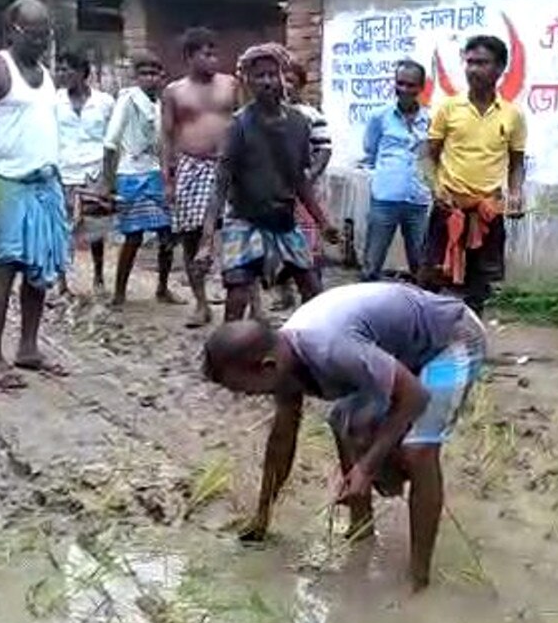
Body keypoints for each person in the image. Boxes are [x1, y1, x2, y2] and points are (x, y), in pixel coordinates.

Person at [203, 282, 487, 591]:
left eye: (242, 389)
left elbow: (415, 397)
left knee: (419, 450)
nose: (243, 396)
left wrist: (365, 467)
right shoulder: (284, 362)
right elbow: (282, 440)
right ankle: (360, 526)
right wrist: (262, 516)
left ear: (267, 368)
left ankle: (418, 580)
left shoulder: (329, 349)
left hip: (452, 338)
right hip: (398, 349)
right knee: (344, 421)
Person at [0, 0, 69, 391]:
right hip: (8, 184)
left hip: (45, 185)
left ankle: (28, 348)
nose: (41, 41)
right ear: (11, 30)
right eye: (33, 33)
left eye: (46, 34)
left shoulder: (45, 74)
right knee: (5, 271)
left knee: (39, 272)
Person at [195, 43, 338, 322]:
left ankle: (308, 351)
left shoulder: (299, 123)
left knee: (314, 292)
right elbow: (220, 185)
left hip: (283, 220)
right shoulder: (238, 126)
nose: (267, 82)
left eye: (272, 74)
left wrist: (324, 222)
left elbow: (300, 179)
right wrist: (206, 240)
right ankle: (229, 356)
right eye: (258, 76)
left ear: (282, 76)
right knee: (236, 295)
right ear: (247, 81)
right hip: (245, 219)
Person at [424, 35, 526, 315]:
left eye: (482, 63)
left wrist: (515, 194)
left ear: (500, 68)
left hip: (488, 211)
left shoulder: (512, 115)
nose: (473, 69)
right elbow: (428, 155)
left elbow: (516, 163)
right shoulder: (448, 108)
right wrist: (435, 187)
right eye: (469, 63)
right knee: (435, 281)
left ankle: (471, 347)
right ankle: (431, 346)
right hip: (449, 209)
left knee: (479, 287)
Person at [162, 27, 241, 327]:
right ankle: (201, 303)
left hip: (228, 167)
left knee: (239, 233)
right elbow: (167, 137)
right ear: (189, 56)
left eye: (214, 52)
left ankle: (249, 302)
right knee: (191, 238)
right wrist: (168, 179)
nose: (212, 59)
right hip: (191, 167)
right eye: (205, 54)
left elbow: (245, 122)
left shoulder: (231, 85)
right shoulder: (175, 92)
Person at [100, 51, 179, 307]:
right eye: (144, 73)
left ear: (161, 77)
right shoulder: (128, 100)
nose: (150, 78)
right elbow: (111, 142)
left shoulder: (162, 104)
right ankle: (120, 292)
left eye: (154, 73)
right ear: (136, 77)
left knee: (167, 233)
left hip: (156, 172)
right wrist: (107, 181)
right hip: (131, 174)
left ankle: (163, 288)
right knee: (133, 236)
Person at [361, 59, 431, 282]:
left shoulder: (431, 119)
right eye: (400, 83)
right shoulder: (380, 117)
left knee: (421, 265)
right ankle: (368, 311)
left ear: (421, 88)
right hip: (385, 198)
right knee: (372, 263)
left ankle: (420, 312)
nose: (404, 89)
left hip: (418, 199)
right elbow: (370, 150)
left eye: (411, 85)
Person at [272, 60, 332, 311]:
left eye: (292, 82)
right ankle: (283, 293)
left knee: (308, 244)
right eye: (282, 80)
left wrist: (310, 176)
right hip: (275, 190)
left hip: (306, 191)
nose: (286, 86)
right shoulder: (269, 114)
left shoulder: (311, 115)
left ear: (301, 85)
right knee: (277, 244)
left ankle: (312, 294)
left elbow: (324, 150)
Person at [54, 47, 113, 295]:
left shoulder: (104, 102)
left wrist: (109, 179)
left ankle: (98, 277)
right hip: (63, 170)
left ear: (82, 72)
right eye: (60, 69)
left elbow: (112, 141)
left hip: (94, 171)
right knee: (62, 228)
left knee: (96, 229)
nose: (63, 74)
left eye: (68, 69)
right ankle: (62, 282)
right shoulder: (54, 101)